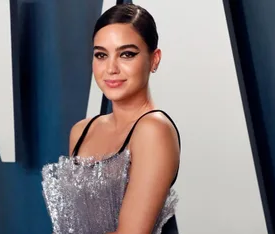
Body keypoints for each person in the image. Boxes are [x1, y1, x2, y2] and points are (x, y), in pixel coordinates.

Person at [42, 3, 181, 234]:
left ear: (154, 59)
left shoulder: (153, 129)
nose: (111, 68)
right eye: (101, 55)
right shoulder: (82, 131)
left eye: (126, 54)